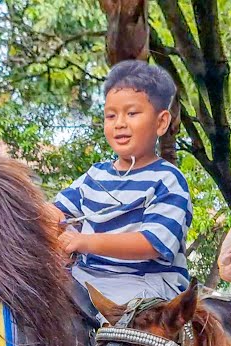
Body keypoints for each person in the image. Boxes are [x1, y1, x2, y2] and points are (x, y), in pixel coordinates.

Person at [51, 60, 193, 304]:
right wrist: (43, 219)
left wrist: (85, 241)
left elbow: (152, 242)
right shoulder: (95, 176)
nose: (119, 123)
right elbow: (55, 210)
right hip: (88, 278)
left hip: (147, 283)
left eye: (132, 113)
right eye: (111, 115)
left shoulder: (167, 180)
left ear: (161, 122)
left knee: (119, 332)